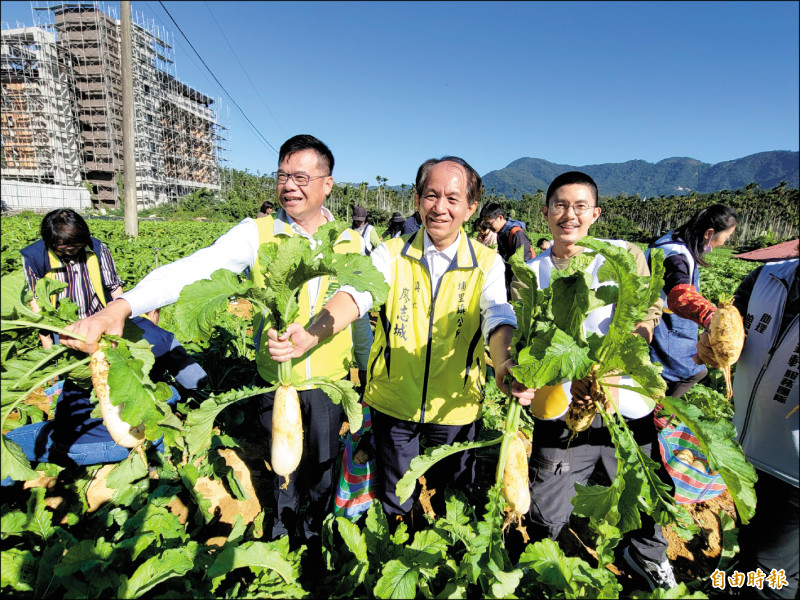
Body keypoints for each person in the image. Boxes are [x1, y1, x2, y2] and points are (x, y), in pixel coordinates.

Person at [61, 135, 373, 556]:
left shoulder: (352, 241)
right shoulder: (256, 233)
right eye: (282, 176)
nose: (289, 186)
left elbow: (360, 309)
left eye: (301, 176)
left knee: (320, 469)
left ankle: (313, 540)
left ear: (327, 184)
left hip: (327, 385)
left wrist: (363, 364)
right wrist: (122, 306)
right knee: (282, 471)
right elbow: (192, 270)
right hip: (273, 383)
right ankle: (281, 540)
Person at [266, 156, 536, 525]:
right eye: (431, 195)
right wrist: (312, 334)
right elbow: (355, 295)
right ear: (416, 199)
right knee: (396, 493)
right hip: (394, 399)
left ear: (471, 208)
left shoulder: (487, 263)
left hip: (455, 405)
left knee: (455, 494)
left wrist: (503, 362)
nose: (439, 207)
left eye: (453, 199)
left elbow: (498, 316)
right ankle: (399, 542)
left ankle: (449, 555)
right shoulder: (390, 254)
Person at [521, 171, 676, 590]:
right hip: (563, 410)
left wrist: (624, 355)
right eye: (559, 205)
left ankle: (647, 556)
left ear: (595, 214)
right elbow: (524, 342)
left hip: (626, 405)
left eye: (579, 206)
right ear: (546, 212)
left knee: (642, 494)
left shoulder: (623, 255)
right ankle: (546, 564)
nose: (568, 215)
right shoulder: (530, 272)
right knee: (548, 502)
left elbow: (649, 309)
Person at [10, 209, 207, 471]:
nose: (71, 251)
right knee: (91, 395)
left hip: (106, 320)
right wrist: (53, 365)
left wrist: (122, 316)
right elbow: (39, 312)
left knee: (152, 361)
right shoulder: (34, 257)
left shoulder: (97, 249)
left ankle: (190, 394)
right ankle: (172, 396)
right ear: (50, 243)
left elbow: (115, 289)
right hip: (70, 335)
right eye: (64, 247)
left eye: (77, 245)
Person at [696, 258, 798, 599]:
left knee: (775, 572)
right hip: (748, 451)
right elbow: (729, 329)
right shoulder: (766, 277)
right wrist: (708, 347)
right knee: (753, 543)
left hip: (795, 474)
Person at [647, 204, 738, 399]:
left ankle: (656, 409)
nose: (723, 242)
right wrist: (712, 317)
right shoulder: (675, 255)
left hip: (667, 321)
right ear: (709, 233)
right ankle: (660, 410)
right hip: (662, 324)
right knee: (691, 371)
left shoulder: (671, 241)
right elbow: (679, 293)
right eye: (726, 237)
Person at [479, 202, 534, 293]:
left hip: (520, 282)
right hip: (509, 278)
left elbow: (525, 261)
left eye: (489, 223)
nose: (488, 227)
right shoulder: (501, 233)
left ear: (500, 218)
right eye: (486, 225)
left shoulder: (516, 233)